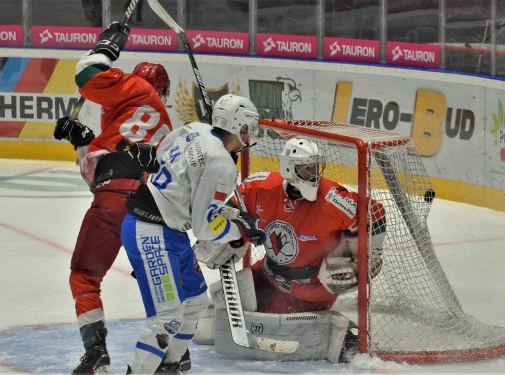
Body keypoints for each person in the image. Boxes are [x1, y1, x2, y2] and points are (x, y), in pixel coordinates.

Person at [52, 21, 176, 375]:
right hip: (153, 210)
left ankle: (96, 355)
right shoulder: (166, 126)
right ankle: (173, 355)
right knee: (158, 284)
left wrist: (108, 44)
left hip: (114, 200)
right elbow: (123, 155)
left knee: (84, 276)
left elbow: (87, 73)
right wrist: (83, 141)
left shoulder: (134, 87)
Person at [196, 137, 386, 364]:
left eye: (315, 167)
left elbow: (375, 213)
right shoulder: (261, 186)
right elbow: (230, 209)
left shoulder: (333, 200)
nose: (313, 174)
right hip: (266, 276)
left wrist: (365, 254)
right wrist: (224, 233)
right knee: (214, 319)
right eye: (306, 169)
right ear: (288, 167)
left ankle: (335, 331)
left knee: (273, 335)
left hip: (310, 293)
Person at [120, 94, 267, 374]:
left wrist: (231, 216)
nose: (252, 134)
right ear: (240, 127)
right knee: (167, 318)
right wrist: (241, 231)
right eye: (250, 127)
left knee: (195, 303)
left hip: (165, 230)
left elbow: (162, 153)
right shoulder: (222, 164)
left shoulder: (196, 128)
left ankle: (168, 367)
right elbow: (203, 228)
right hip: (152, 233)